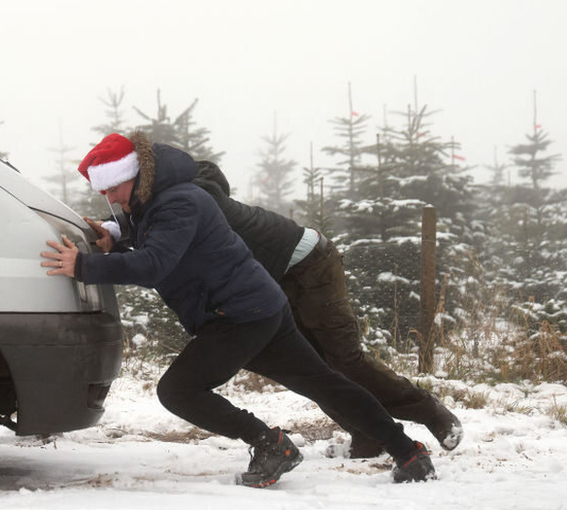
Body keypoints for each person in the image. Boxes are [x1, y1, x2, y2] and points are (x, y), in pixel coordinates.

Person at [41, 131, 436, 487]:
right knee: (324, 382)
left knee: (178, 390)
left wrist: (84, 266)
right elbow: (162, 249)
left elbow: (154, 264)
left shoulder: (178, 202)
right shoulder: (161, 200)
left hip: (238, 316)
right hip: (257, 307)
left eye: (111, 187)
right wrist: (116, 242)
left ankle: (270, 444)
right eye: (102, 191)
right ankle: (409, 453)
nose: (108, 198)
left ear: (135, 174)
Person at [191, 160, 463, 458]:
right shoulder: (176, 202)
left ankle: (429, 411)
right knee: (311, 367)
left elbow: (207, 177)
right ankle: (366, 434)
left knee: (345, 358)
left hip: (311, 264)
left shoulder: (196, 196)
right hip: (273, 280)